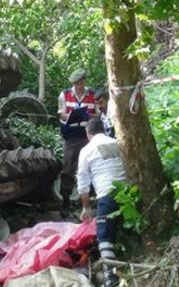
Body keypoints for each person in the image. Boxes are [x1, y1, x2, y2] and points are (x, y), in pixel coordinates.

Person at [76, 118, 127, 287]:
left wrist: (86, 208)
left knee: (104, 235)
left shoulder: (87, 150)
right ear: (104, 130)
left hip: (107, 194)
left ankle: (110, 278)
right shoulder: (117, 143)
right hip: (128, 192)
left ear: (88, 133)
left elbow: (83, 184)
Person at [57, 68, 96, 218]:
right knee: (68, 169)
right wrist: (74, 115)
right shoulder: (65, 94)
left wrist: (87, 115)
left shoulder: (92, 94)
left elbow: (99, 112)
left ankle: (88, 202)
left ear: (84, 82)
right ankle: (65, 202)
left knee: (90, 167)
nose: (79, 86)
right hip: (72, 136)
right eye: (76, 84)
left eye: (81, 83)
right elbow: (61, 113)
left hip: (89, 135)